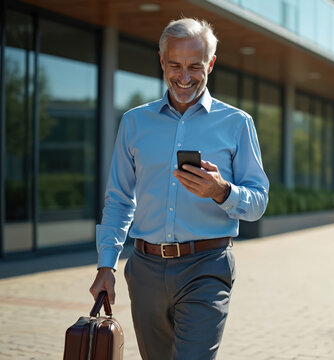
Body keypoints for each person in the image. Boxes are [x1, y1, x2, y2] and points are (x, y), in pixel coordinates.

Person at [89, 17, 269, 360]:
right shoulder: (134, 122)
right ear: (161, 61)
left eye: (195, 67)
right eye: (175, 65)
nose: (184, 77)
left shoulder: (237, 124)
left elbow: (259, 201)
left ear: (210, 64)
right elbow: (119, 199)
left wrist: (223, 191)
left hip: (207, 267)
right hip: (145, 270)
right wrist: (106, 267)